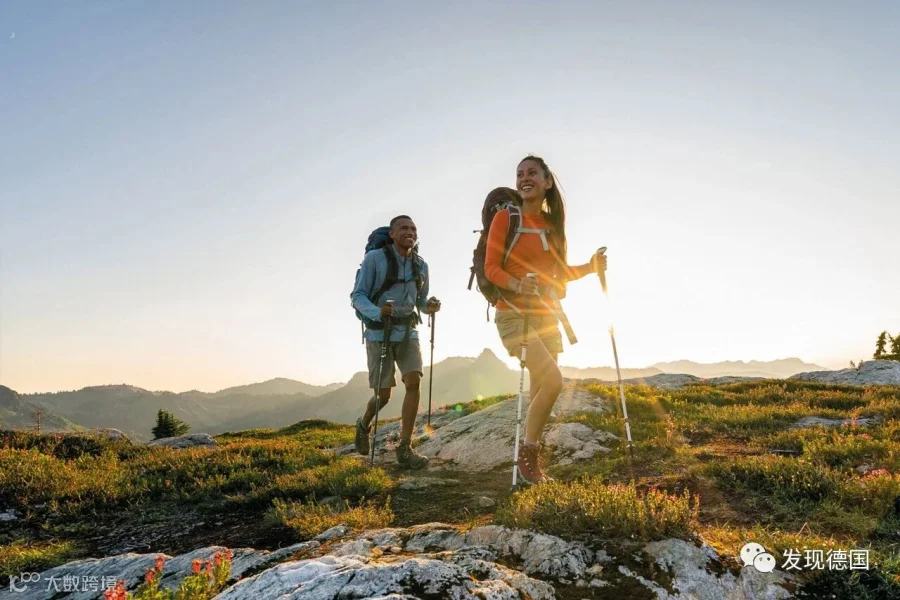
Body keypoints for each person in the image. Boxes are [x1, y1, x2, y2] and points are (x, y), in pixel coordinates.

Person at [484, 155, 607, 484]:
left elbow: (558, 274)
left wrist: (591, 267)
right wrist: (517, 285)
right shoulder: (505, 218)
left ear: (547, 181)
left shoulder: (552, 227)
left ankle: (528, 465)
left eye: (532, 173)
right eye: (520, 174)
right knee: (553, 382)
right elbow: (491, 268)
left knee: (541, 387)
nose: (525, 178)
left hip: (545, 316)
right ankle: (528, 455)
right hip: (512, 316)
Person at [350, 215, 441, 469]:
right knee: (383, 395)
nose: (410, 232)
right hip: (379, 332)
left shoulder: (421, 265)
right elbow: (357, 295)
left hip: (408, 331)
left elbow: (420, 300)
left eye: (413, 228)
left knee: (413, 381)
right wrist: (377, 312)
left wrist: (429, 306)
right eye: (403, 228)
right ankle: (363, 424)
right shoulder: (374, 259)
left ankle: (405, 447)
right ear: (391, 234)